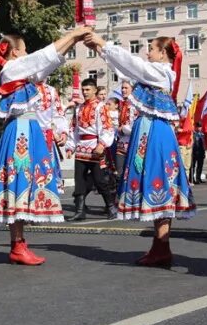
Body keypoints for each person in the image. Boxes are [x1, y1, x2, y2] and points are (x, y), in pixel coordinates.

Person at [83, 31, 196, 267]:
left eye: (152, 49)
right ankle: (160, 247)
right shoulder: (153, 73)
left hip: (156, 133)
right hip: (147, 131)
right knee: (152, 185)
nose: (147, 52)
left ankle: (161, 247)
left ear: (163, 53)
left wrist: (104, 44)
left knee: (159, 184)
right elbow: (126, 69)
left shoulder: (162, 72)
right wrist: (101, 50)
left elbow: (133, 65)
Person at [0, 28, 88, 264]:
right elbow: (42, 57)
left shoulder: (22, 73)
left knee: (25, 185)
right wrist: (75, 34)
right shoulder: (12, 69)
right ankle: (17, 245)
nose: (28, 52)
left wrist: (74, 40)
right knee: (19, 185)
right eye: (25, 49)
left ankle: (19, 245)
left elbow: (49, 62)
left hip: (29, 132)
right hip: (21, 132)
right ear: (16, 52)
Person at [67, 77, 116, 221]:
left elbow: (107, 127)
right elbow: (74, 129)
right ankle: (80, 211)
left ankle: (111, 207)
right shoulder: (79, 108)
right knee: (80, 180)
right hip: (81, 148)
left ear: (95, 90)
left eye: (87, 89)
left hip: (95, 147)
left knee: (100, 180)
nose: (85, 92)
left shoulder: (101, 107)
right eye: (83, 89)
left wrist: (102, 144)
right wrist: (71, 146)